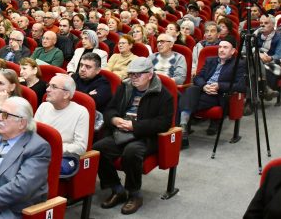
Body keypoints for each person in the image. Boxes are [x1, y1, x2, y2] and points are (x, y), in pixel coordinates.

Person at [93, 57, 174, 215]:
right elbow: (110, 109)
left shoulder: (163, 94)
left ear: (150, 75)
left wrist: (135, 126)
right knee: (98, 149)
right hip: (121, 131)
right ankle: (117, 189)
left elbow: (163, 123)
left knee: (131, 151)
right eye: (131, 74)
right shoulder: (125, 87)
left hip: (145, 136)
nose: (133, 78)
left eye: (138, 74)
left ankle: (134, 194)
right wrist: (115, 119)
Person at [179, 37, 245, 148]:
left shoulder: (239, 64)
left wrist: (219, 86)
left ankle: (182, 129)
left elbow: (241, 86)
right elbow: (198, 78)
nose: (221, 50)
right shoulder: (211, 60)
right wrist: (204, 86)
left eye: (225, 47)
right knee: (191, 90)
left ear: (233, 51)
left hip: (218, 94)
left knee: (182, 100)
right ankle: (183, 128)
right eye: (220, 47)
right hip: (203, 90)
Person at [35, 73, 90, 158]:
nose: (47, 89)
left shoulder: (81, 112)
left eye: (54, 87)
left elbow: (80, 147)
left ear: (66, 94)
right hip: (38, 152)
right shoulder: (44, 106)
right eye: (48, 85)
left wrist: (51, 148)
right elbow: (33, 134)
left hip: (60, 156)